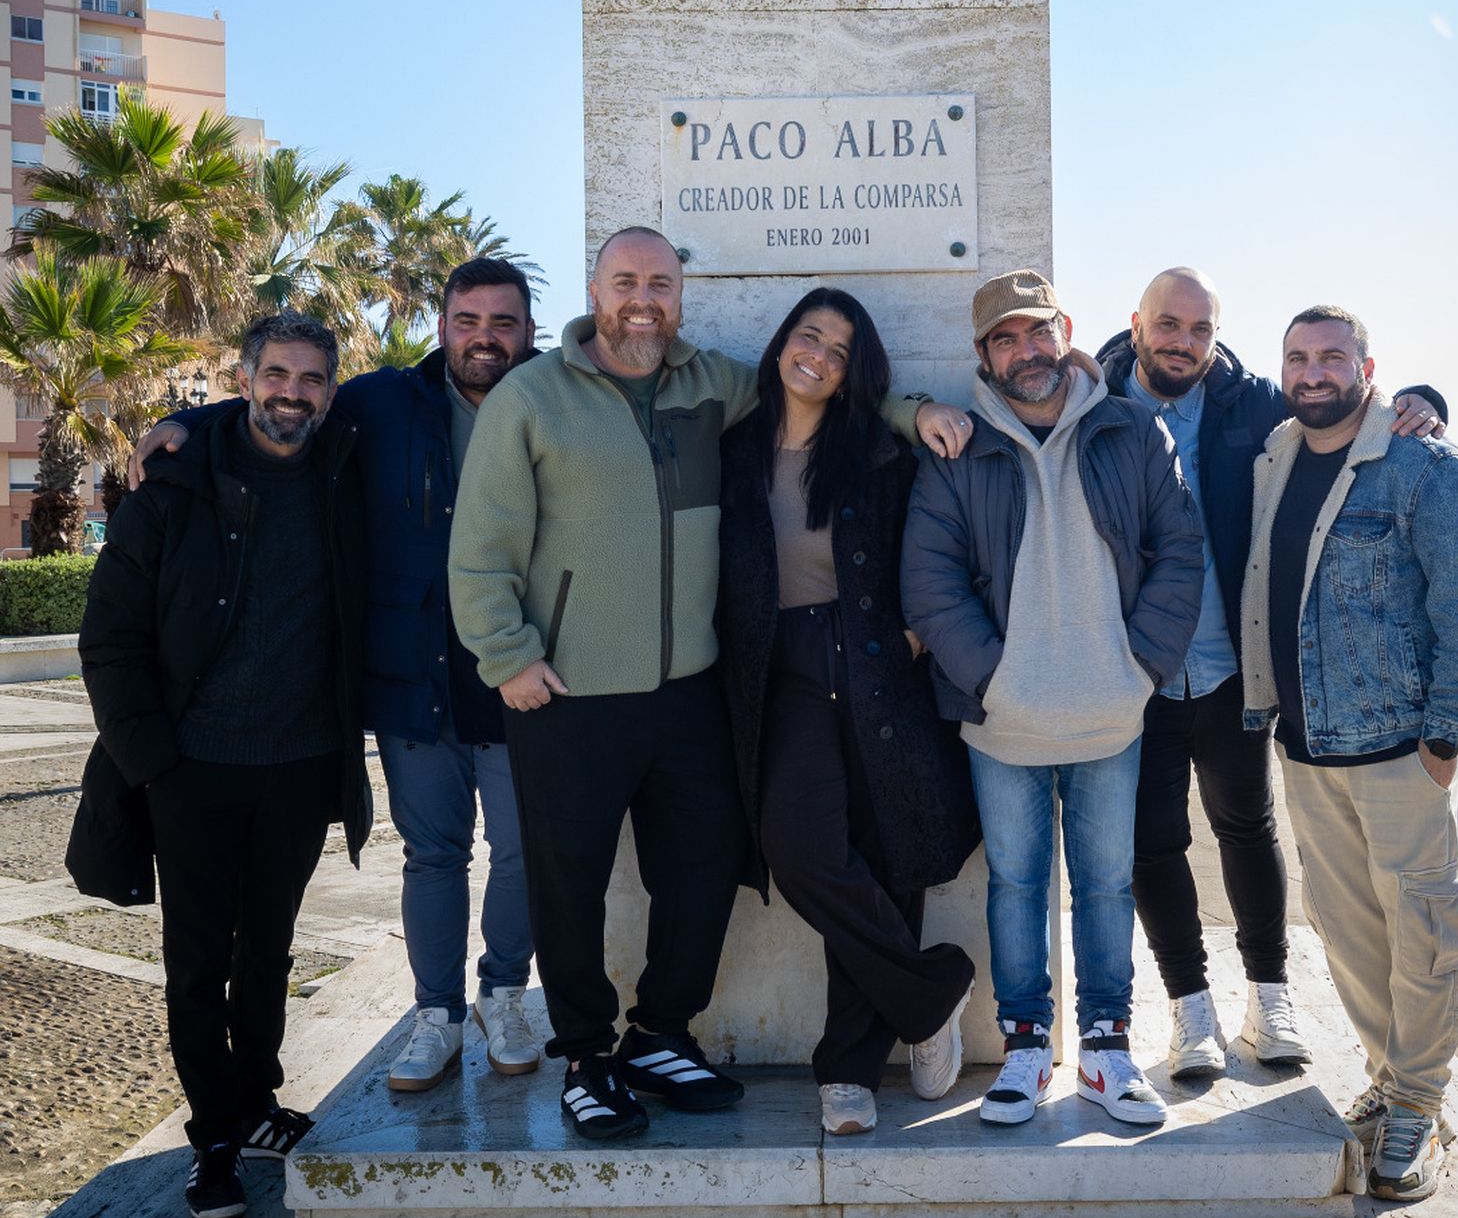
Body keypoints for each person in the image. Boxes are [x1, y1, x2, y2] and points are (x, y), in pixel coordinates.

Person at [447, 225, 972, 1141]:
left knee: (701, 872)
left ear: (680, 294)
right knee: (567, 881)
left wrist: (915, 409)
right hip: (565, 689)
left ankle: (660, 1032)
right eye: (625, 281)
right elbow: (482, 546)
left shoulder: (710, 384)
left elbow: (831, 392)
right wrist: (508, 657)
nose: (642, 298)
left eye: (660, 281)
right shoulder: (531, 396)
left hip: (692, 686)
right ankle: (586, 1055)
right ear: (595, 288)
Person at [128, 257, 544, 1094]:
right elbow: (284, 408)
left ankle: (504, 995)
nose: (485, 338)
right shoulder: (383, 401)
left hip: (520, 668)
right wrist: (180, 420)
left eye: (503, 323)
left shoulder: (559, 396)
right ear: (442, 326)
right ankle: (437, 1017)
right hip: (410, 675)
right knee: (432, 855)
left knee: (523, 852)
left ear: (528, 330)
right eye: (469, 321)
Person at [1095, 268, 1442, 1081]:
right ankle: (1191, 1015)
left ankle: (1270, 997)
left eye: (1200, 329)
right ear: (1137, 325)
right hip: (1131, 675)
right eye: (1169, 325)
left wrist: (1422, 397)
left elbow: (1339, 402)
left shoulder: (1253, 403)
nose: (1184, 342)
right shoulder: (1094, 407)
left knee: (1246, 831)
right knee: (1152, 845)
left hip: (1229, 672)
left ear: (1216, 335)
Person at [77, 315, 370, 1218]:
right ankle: (211, 1136)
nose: (292, 393)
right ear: (245, 381)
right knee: (198, 959)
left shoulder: (340, 476)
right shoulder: (174, 486)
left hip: (298, 765)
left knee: (269, 950)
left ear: (330, 388)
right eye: (275, 375)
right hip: (192, 770)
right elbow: (109, 640)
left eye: (311, 378)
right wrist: (152, 762)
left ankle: (256, 1100)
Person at [901, 270, 1203, 1129]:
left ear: (1065, 330)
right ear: (984, 356)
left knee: (1107, 883)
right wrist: (995, 679)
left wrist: (1139, 665)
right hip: (1002, 722)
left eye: (1037, 332)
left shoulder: (1131, 429)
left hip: (1112, 712)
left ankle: (1106, 1049)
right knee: (1017, 884)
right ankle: (1028, 1046)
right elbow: (930, 582)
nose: (1025, 351)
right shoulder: (955, 448)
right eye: (1005, 339)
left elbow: (1179, 552)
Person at [1240, 306, 1458, 1203]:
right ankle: (1389, 1081)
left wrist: (1443, 737)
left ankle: (1420, 1109)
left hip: (1402, 750)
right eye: (1298, 357)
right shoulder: (1277, 452)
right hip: (1308, 746)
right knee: (1351, 935)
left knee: (1424, 936)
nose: (1312, 372)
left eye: (1331, 357)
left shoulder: (1426, 468)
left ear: (1368, 366)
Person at [718, 287, 980, 1136]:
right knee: (801, 847)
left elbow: (937, 542)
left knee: (888, 845)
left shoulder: (876, 449)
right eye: (809, 336)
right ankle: (931, 994)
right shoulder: (733, 449)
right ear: (781, 344)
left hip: (872, 656)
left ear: (854, 369)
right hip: (778, 665)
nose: (818, 356)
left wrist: (913, 628)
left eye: (837, 349)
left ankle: (851, 1070)